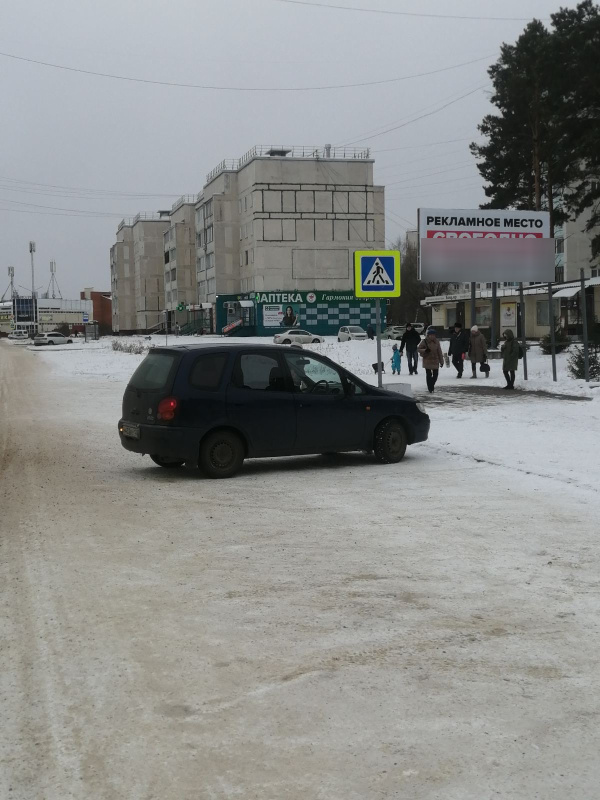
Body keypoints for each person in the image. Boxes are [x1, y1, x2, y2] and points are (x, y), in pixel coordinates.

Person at [417, 328, 444, 393]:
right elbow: (418, 349)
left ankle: (431, 385)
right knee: (428, 375)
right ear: (428, 335)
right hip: (427, 360)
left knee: (435, 375)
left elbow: (439, 351)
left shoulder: (437, 341)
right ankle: (430, 388)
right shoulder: (424, 341)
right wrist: (425, 350)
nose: (432, 336)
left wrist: (441, 361)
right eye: (431, 335)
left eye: (433, 335)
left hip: (435, 360)